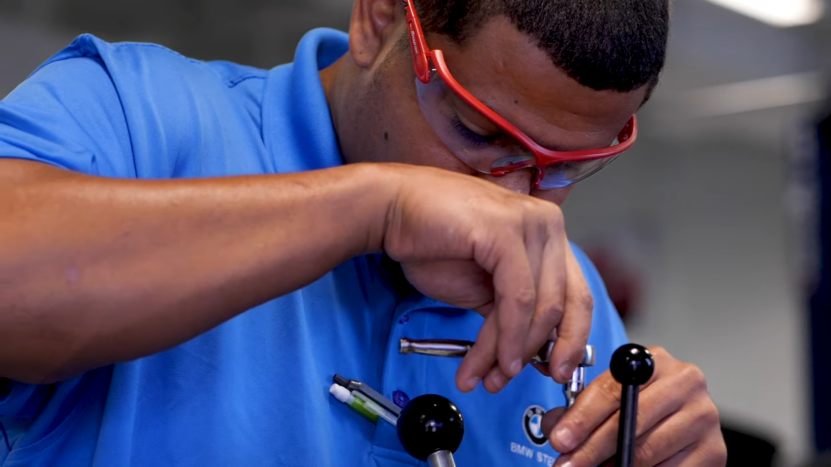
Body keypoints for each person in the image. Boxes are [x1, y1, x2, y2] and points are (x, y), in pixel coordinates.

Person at [0, 0, 727, 465]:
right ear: (379, 18)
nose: (513, 196)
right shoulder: (137, 117)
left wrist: (658, 441)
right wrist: (375, 207)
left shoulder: (566, 293)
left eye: (564, 166)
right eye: (477, 133)